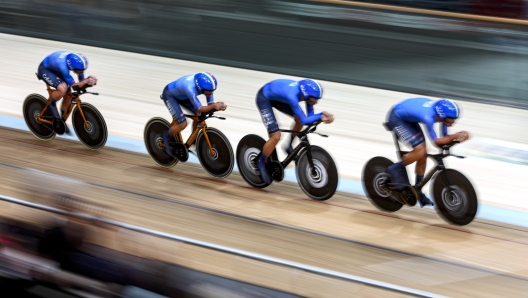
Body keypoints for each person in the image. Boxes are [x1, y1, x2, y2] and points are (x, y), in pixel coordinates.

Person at [385, 98, 470, 207]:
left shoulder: (442, 117)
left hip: (409, 119)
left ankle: (417, 190)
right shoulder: (428, 117)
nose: (452, 123)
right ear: (442, 115)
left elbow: (444, 139)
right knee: (420, 151)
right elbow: (437, 142)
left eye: (454, 119)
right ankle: (394, 169)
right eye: (450, 119)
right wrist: (455, 136)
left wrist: (457, 138)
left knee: (423, 154)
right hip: (397, 118)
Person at [256, 78, 334, 184]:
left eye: (317, 99)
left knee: (299, 121)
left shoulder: (306, 95)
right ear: (305, 95)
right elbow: (305, 120)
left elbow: (309, 117)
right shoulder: (292, 96)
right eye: (313, 99)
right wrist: (320, 116)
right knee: (276, 136)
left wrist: (322, 114)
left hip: (278, 96)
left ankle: (288, 146)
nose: (315, 102)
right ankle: (261, 162)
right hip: (264, 98)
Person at [161, 72, 227, 157]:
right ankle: (165, 138)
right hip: (170, 95)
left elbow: (210, 105)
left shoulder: (206, 88)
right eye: (210, 91)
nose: (211, 93)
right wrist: (214, 105)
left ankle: (193, 141)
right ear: (201, 88)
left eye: (213, 91)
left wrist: (218, 105)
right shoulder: (190, 88)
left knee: (199, 116)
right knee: (182, 123)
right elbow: (200, 108)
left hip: (183, 96)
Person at [37, 51, 97, 135]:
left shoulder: (72, 62)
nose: (82, 72)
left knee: (68, 96)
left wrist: (89, 82)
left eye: (83, 70)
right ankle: (52, 104)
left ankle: (62, 120)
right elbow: (75, 86)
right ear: (73, 66)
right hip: (45, 70)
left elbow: (81, 81)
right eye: (80, 70)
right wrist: (85, 82)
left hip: (56, 70)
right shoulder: (63, 66)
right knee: (63, 88)